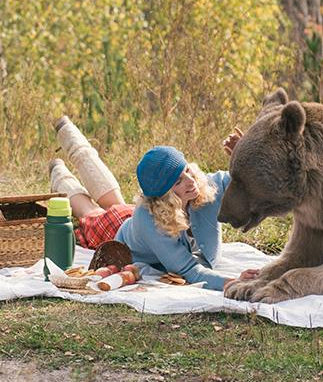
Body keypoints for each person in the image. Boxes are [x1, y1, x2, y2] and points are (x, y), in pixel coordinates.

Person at [48, 117, 257, 292]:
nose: (191, 181)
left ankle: (68, 134)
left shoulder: (204, 185)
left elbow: (249, 181)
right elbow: (189, 271)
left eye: (188, 171)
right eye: (178, 181)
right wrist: (232, 282)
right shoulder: (149, 220)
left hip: (139, 218)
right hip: (119, 233)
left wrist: (244, 153)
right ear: (164, 196)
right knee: (91, 211)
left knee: (111, 199)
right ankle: (59, 173)